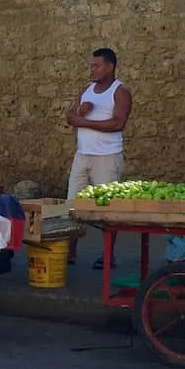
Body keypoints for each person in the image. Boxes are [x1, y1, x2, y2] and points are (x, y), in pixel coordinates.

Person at [65, 47, 133, 269]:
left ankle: (107, 255)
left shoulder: (119, 91)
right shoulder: (88, 90)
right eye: (91, 65)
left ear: (110, 66)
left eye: (97, 65)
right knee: (72, 205)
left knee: (107, 208)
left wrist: (84, 122)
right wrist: (78, 113)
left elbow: (118, 123)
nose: (92, 69)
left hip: (106, 158)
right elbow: (71, 116)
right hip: (83, 155)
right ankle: (70, 252)